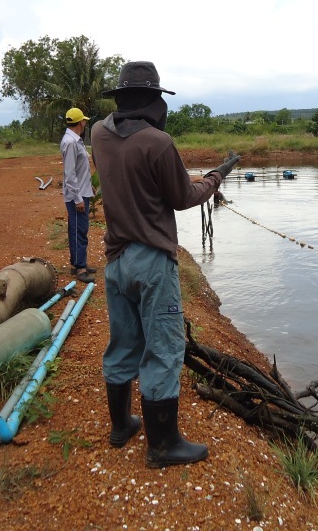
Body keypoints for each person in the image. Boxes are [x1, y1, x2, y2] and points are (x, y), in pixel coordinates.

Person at [91, 61, 241, 468]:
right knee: (163, 349)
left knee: (123, 343)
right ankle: (162, 446)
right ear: (153, 101)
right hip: (152, 263)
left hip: (116, 260)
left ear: (121, 99)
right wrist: (217, 175)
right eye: (158, 99)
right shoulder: (158, 142)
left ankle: (121, 426)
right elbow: (183, 197)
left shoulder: (98, 134)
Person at [61, 107, 96, 285]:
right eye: (84, 121)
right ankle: (80, 267)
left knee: (79, 229)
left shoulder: (75, 140)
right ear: (80, 122)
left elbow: (80, 171)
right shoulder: (71, 142)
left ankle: (79, 262)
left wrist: (89, 188)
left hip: (83, 191)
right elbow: (70, 174)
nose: (85, 123)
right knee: (78, 230)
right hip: (77, 195)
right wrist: (78, 199)